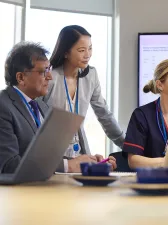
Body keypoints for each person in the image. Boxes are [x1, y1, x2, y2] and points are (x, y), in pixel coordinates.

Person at [0, 42, 108, 173]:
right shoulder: (4, 107)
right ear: (21, 77)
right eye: (43, 71)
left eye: (49, 70)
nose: (50, 77)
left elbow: (46, 159)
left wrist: (85, 162)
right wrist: (68, 165)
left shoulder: (41, 106)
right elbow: (9, 165)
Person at [43, 25, 121, 171]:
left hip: (79, 155)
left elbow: (104, 114)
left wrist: (128, 146)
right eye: (81, 50)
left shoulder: (90, 75)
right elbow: (34, 118)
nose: (88, 54)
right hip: (53, 157)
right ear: (66, 52)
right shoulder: (50, 77)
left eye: (90, 48)